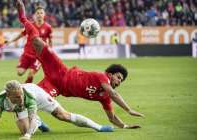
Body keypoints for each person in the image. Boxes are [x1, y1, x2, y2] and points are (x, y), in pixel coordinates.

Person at [15, 0, 144, 129]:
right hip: (60, 71)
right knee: (37, 41)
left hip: (58, 87)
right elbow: (114, 94)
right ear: (110, 75)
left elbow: (112, 118)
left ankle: (37, 121)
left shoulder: (105, 97)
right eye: (119, 77)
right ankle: (23, 17)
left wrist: (125, 126)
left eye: (121, 80)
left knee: (37, 103)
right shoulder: (102, 77)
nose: (120, 81)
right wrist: (128, 110)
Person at [0, 80, 114, 140]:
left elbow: (31, 117)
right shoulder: (1, 100)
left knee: (62, 115)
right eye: (17, 96)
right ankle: (39, 122)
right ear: (8, 96)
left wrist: (28, 136)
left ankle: (98, 127)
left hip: (39, 96)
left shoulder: (29, 97)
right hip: (17, 107)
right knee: (23, 129)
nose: (20, 97)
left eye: (21, 94)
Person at [5, 5, 52, 83]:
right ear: (35, 15)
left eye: (41, 13)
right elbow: (21, 34)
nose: (39, 15)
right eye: (38, 13)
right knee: (19, 72)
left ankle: (26, 88)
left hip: (38, 56)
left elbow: (49, 40)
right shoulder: (30, 25)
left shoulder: (48, 27)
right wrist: (11, 41)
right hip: (27, 54)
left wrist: (49, 52)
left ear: (44, 15)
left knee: (31, 74)